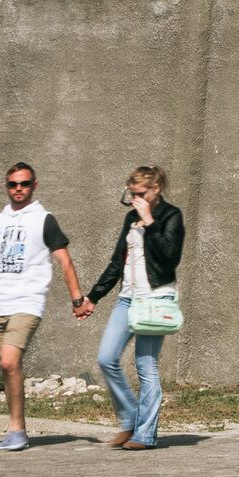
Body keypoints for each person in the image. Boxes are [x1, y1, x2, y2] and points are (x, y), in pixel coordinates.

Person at [0, 162, 82, 452]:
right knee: (7, 366)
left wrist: (77, 299)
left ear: (34, 185)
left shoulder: (44, 220)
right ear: (7, 187)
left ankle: (17, 431)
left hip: (28, 301)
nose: (18, 189)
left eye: (24, 183)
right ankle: (17, 429)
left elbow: (65, 261)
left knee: (9, 362)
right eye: (13, 184)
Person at [85, 166, 186, 450]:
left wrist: (149, 221)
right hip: (127, 298)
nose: (134, 200)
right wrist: (93, 296)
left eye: (140, 194)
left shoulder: (171, 216)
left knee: (146, 364)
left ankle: (145, 434)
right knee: (106, 358)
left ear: (156, 190)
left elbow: (170, 258)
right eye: (132, 194)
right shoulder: (130, 218)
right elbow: (118, 263)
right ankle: (130, 417)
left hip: (155, 299)